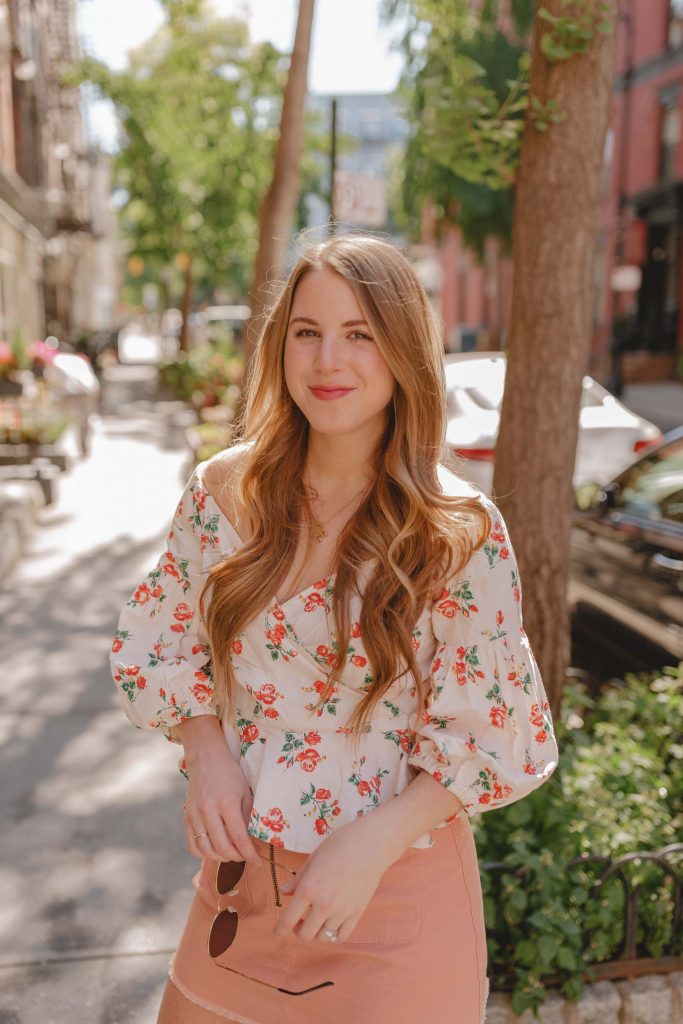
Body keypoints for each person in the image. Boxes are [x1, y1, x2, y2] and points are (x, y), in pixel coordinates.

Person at [109, 233, 559, 1024]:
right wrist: (205, 747)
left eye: (360, 335)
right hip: (240, 887)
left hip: (392, 894)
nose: (328, 361)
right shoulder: (223, 493)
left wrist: (372, 842)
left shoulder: (454, 529)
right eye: (306, 332)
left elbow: (495, 733)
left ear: (402, 354)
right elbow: (161, 640)